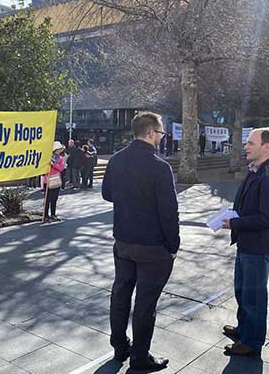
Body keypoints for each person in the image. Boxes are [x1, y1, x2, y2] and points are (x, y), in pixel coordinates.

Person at [102, 111, 179, 372]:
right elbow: (169, 212)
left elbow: (107, 194)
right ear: (150, 133)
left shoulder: (116, 159)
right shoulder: (160, 167)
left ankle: (119, 346)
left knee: (120, 294)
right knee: (145, 303)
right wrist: (173, 245)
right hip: (152, 246)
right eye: (160, 133)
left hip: (123, 240)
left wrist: (129, 200)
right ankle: (140, 357)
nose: (161, 137)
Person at [222, 127, 269, 356]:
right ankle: (244, 330)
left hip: (259, 247)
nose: (246, 146)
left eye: (251, 143)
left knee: (254, 298)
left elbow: (268, 218)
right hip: (247, 243)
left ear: (266, 147)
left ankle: (252, 342)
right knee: (243, 292)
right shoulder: (256, 170)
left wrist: (235, 223)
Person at [42, 141, 65, 223]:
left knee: (54, 199)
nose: (60, 151)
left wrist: (54, 164)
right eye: (58, 149)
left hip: (56, 180)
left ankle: (53, 214)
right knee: (47, 199)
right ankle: (45, 216)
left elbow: (61, 168)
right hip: (48, 180)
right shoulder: (47, 158)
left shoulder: (60, 158)